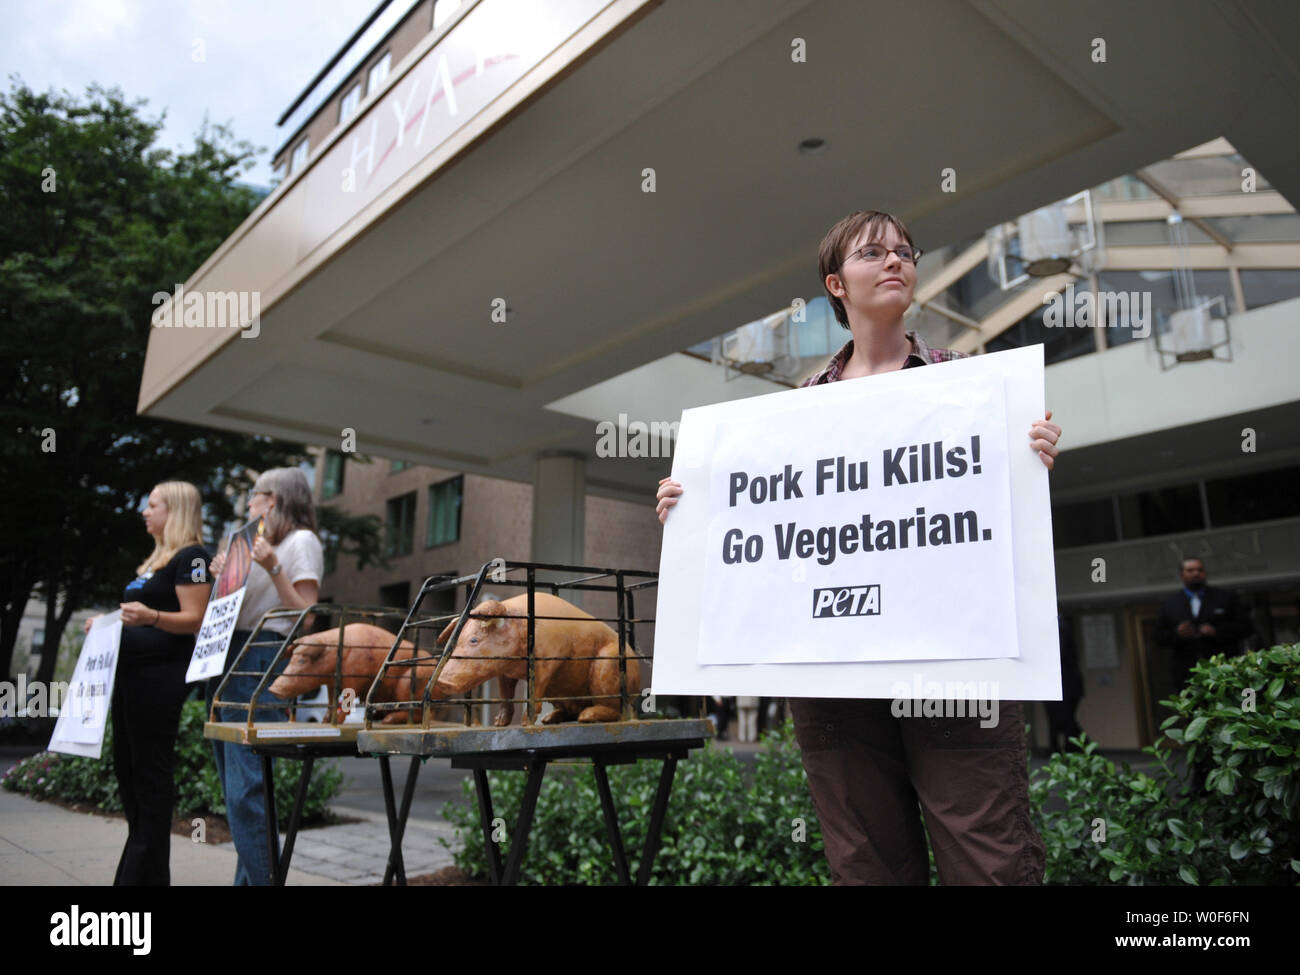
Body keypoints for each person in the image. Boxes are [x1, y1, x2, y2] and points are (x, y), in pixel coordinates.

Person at [656, 210, 1062, 885]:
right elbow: (770, 543)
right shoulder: (790, 417)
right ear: (835, 284)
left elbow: (994, 516)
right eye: (874, 252)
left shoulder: (971, 387)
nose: (896, 259)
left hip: (953, 668)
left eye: (905, 250)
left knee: (987, 854)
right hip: (831, 676)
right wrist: (692, 507)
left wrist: (1034, 453)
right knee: (866, 862)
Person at [87, 481, 210, 885]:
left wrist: (151, 618)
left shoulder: (192, 557)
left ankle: (137, 878)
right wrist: (104, 623)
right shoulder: (154, 561)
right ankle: (147, 876)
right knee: (129, 774)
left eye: (153, 505)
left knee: (150, 777)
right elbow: (134, 616)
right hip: (129, 679)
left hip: (159, 679)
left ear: (174, 510)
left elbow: (194, 619)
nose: (145, 511)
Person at [206, 467, 323, 885]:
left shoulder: (300, 542)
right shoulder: (254, 545)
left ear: (273, 500)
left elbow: (305, 618)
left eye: (254, 496)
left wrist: (274, 568)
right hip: (230, 654)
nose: (249, 504)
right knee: (237, 791)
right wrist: (224, 577)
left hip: (261, 654)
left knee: (247, 792)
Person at [1152, 557, 1250, 694]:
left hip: (1224, 670)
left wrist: (1216, 631)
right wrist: (1177, 634)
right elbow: (1158, 636)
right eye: (1190, 570)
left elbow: (1246, 627)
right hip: (1187, 675)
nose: (1196, 573)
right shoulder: (1170, 603)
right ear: (1182, 575)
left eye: (1200, 570)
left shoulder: (1225, 597)